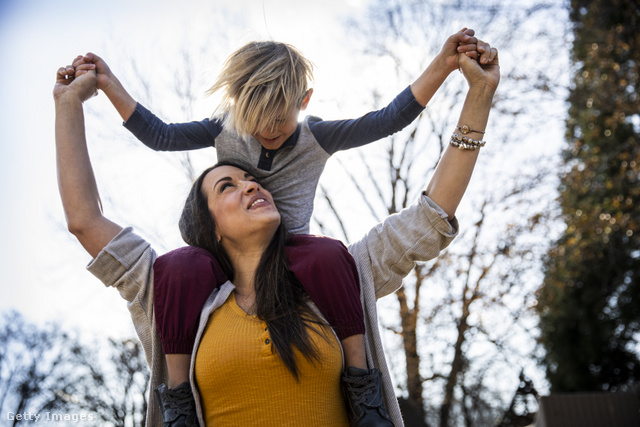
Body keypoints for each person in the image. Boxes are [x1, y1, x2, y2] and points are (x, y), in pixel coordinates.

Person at [55, 37, 499, 426]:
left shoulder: (339, 275)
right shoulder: (174, 291)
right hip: (193, 280)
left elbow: (422, 191)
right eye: (227, 184)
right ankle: (177, 404)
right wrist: (73, 101)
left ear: (303, 102)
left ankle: (364, 389)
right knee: (180, 265)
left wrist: (475, 90)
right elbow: (93, 210)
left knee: (325, 253)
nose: (251, 182)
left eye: (254, 182)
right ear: (208, 224)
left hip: (311, 265)